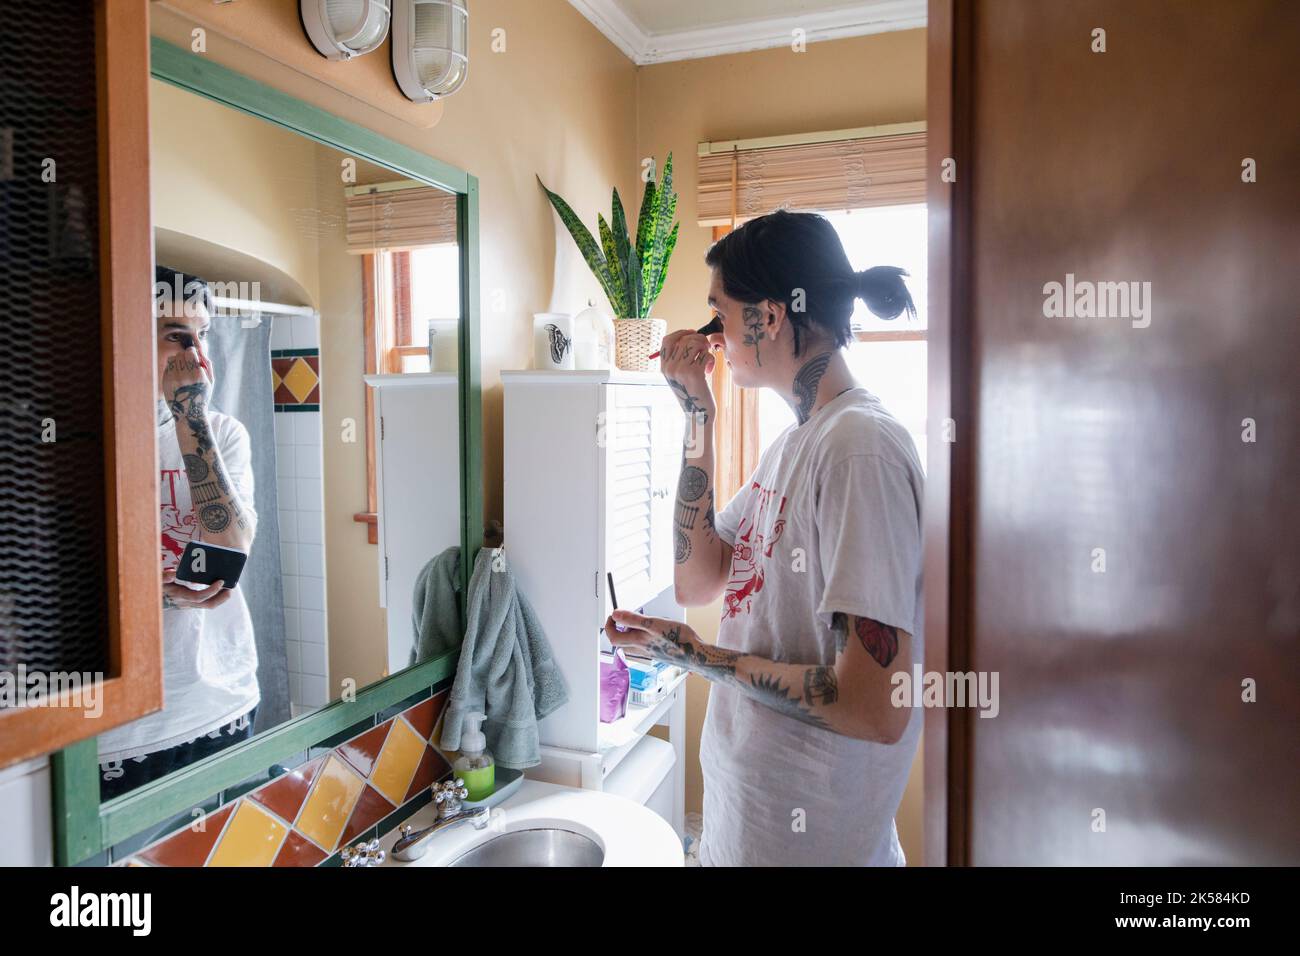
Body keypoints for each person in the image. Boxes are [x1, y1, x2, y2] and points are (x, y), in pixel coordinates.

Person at [604, 210, 924, 866]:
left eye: (721, 313)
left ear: (769, 317)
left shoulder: (860, 450)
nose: (714, 336)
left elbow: (873, 706)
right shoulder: (797, 444)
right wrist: (697, 413)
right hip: (747, 826)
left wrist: (695, 657)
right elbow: (699, 579)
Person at [97, 268, 261, 799]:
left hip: (220, 701)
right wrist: (149, 587)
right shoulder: (76, 440)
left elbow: (227, 554)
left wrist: (190, 415)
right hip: (116, 735)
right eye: (175, 335)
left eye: (204, 336)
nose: (197, 356)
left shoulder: (224, 434)